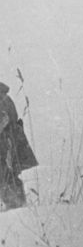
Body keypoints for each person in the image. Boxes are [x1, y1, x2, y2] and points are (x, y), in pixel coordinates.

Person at [0, 82, 38, 210]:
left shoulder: (2, 98)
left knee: (6, 179)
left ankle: (17, 209)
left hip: (5, 148)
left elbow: (3, 120)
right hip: (7, 148)